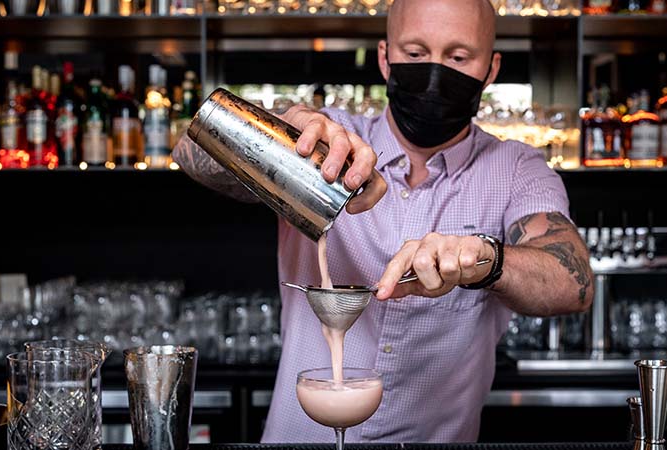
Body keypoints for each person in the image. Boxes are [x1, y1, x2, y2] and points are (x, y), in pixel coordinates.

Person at [173, 0, 594, 442]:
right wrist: (287, 132)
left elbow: (574, 280)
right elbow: (190, 151)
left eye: (458, 57)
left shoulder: (515, 169)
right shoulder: (327, 143)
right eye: (414, 53)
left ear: (490, 70)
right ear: (384, 58)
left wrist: (484, 259)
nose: (434, 73)